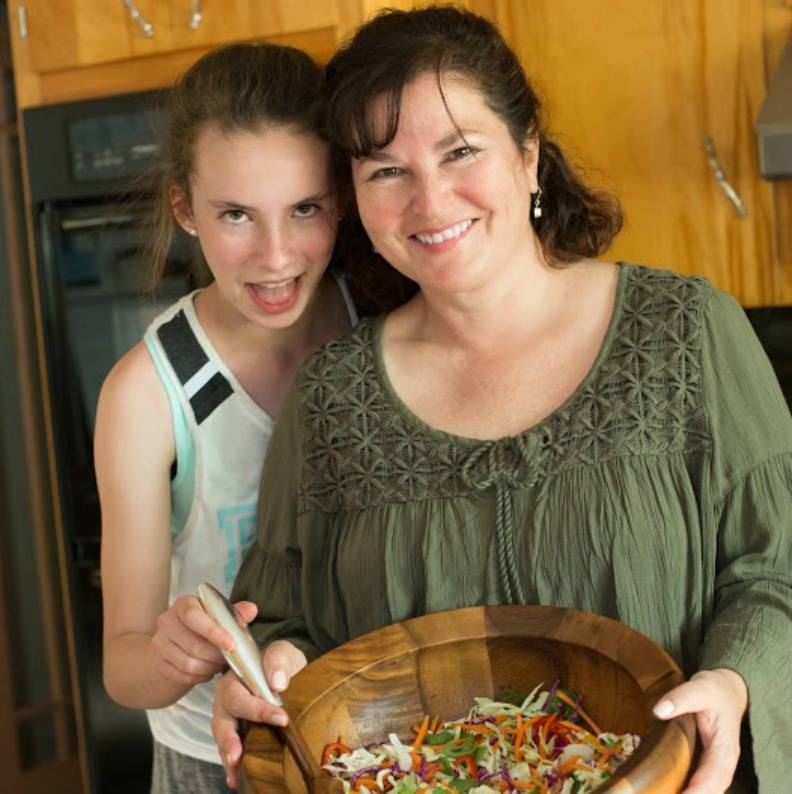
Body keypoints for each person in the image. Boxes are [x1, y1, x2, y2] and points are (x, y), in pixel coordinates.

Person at [213, 8, 792, 793]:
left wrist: (735, 680)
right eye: (386, 170)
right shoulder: (329, 401)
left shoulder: (687, 333)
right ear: (354, 196)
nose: (430, 199)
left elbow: (776, 571)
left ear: (527, 157)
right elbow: (287, 624)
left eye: (460, 151)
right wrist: (272, 667)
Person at [94, 42, 358, 794]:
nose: (277, 257)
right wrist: (173, 655)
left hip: (374, 738)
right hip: (221, 765)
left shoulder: (378, 320)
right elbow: (122, 665)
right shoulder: (148, 395)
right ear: (184, 207)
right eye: (236, 214)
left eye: (305, 208)